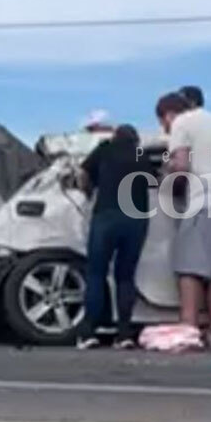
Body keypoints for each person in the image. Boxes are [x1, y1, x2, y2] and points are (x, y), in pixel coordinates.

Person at [156, 91, 211, 348]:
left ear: (169, 114)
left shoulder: (182, 123)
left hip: (207, 200)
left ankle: (188, 330)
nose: (164, 129)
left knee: (189, 267)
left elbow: (181, 166)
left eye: (163, 123)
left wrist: (166, 179)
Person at [76, 124, 151, 349]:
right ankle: (124, 334)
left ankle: (89, 332)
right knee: (126, 276)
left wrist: (89, 190)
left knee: (96, 273)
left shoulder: (105, 148)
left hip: (106, 216)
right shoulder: (141, 154)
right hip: (136, 220)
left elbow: (82, 175)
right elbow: (154, 179)